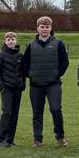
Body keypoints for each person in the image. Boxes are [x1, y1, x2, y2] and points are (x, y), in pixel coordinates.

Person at [21, 16, 69, 147]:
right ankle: (37, 139)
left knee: (56, 109)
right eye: (42, 27)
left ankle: (60, 136)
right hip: (36, 85)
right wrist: (31, 75)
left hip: (53, 84)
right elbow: (24, 64)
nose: (44, 29)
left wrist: (56, 74)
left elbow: (64, 62)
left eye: (47, 27)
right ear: (37, 28)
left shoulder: (58, 44)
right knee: (37, 112)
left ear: (50, 28)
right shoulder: (31, 45)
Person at [0, 31, 24, 147]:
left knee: (14, 114)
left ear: (16, 41)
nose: (11, 41)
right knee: (7, 113)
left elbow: (23, 72)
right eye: (8, 39)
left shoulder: (20, 56)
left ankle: (10, 139)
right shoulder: (1, 56)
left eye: (13, 39)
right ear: (5, 41)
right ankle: (1, 139)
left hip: (17, 90)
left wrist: (22, 84)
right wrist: (2, 87)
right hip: (7, 90)